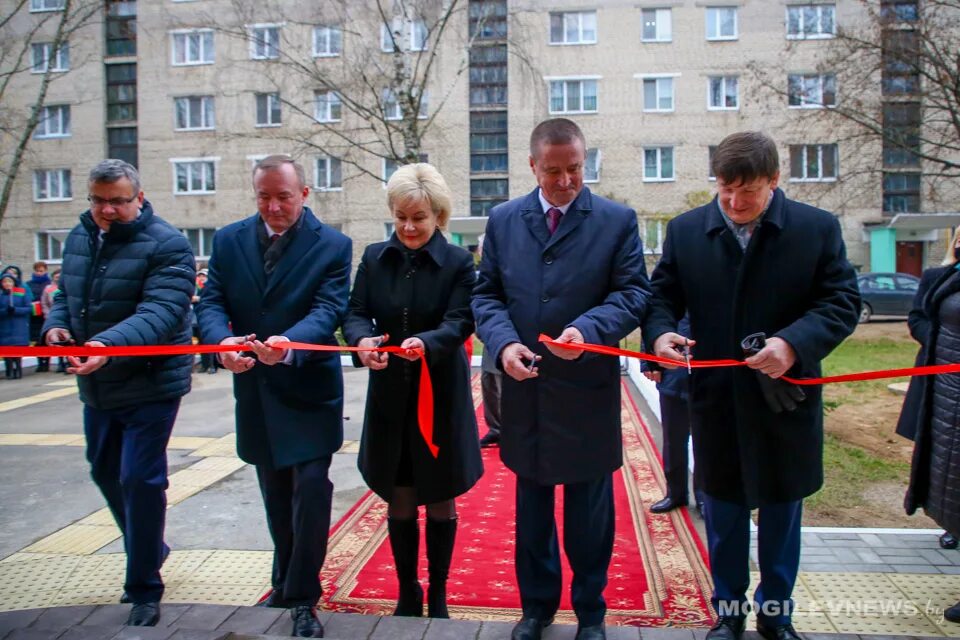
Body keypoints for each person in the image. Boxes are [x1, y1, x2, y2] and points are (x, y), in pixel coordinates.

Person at [643, 131, 860, 640]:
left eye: (750, 191)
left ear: (774, 181)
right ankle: (729, 612)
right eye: (725, 189)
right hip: (718, 401)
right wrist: (659, 334)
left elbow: (841, 302)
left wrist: (793, 343)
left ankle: (776, 614)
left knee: (783, 512)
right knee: (723, 511)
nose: (736, 203)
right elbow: (660, 297)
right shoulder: (687, 230)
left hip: (786, 398)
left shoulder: (815, 229)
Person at [472, 118, 649, 640]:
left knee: (589, 515)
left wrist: (586, 330)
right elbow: (486, 295)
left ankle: (590, 612)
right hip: (526, 390)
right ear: (533, 166)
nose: (567, 181)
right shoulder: (504, 219)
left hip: (586, 389)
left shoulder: (617, 221)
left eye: (575, 168)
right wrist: (503, 344)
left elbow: (634, 294)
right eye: (554, 171)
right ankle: (537, 609)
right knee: (532, 512)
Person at [197, 154, 351, 638]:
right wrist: (221, 341)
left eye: (283, 196)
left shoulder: (333, 245)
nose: (273, 206)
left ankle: (304, 597)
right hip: (256, 390)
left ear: (304, 194)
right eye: (264, 196)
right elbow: (212, 299)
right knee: (275, 493)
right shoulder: (228, 240)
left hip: (308, 389)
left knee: (310, 487)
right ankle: (283, 580)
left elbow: (329, 309)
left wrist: (286, 347)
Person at [41, 159, 196, 627]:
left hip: (150, 382)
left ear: (140, 198)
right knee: (104, 470)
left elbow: (162, 311)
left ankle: (144, 586)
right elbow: (67, 293)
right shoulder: (80, 236)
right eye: (98, 200)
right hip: (98, 383)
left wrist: (108, 344)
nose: (107, 211)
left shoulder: (168, 244)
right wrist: (57, 325)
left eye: (117, 201)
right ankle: (151, 546)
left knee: (140, 479)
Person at [343, 163, 482, 619]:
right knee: (399, 491)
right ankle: (408, 590)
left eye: (419, 217)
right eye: (401, 216)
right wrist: (362, 340)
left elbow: (462, 320)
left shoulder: (460, 263)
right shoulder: (374, 256)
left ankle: (438, 593)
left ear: (438, 216)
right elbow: (357, 311)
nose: (408, 227)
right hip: (389, 392)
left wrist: (429, 343)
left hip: (438, 391)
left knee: (440, 492)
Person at [905, 224, 960, 622]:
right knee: (949, 479)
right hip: (945, 391)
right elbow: (920, 317)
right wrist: (938, 345)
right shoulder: (944, 276)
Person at [645, 316, 703, 516]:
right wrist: (648, 362)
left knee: (705, 442)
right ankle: (675, 493)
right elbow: (653, 322)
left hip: (705, 380)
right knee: (673, 440)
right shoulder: (670, 289)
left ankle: (703, 496)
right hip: (672, 379)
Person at [476, 233, 501, 448]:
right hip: (487, 337)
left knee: (506, 387)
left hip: (504, 336)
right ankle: (495, 429)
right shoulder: (481, 273)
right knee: (489, 384)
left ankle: (510, 430)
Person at [1, 272, 31, 379]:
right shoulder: (1, 295)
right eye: (4, 282)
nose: (7, 284)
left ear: (14, 282)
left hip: (19, 326)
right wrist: (5, 311)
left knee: (18, 350)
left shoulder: (21, 293)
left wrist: (16, 310)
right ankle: (9, 371)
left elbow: (28, 308)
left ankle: (18, 370)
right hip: (4, 326)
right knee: (6, 351)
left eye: (9, 281)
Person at [40, 270, 68, 374]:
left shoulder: (65, 288)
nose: (57, 278)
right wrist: (50, 317)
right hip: (54, 317)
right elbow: (44, 303)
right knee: (57, 343)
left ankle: (68, 363)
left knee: (67, 343)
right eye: (56, 276)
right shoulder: (48, 289)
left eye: (59, 276)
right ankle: (60, 363)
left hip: (64, 318)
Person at [192, 268, 217, 375]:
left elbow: (212, 301)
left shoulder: (210, 287)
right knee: (201, 344)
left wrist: (199, 299)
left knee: (210, 343)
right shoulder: (194, 287)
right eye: (200, 276)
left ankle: (212, 365)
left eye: (204, 276)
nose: (202, 278)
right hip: (195, 320)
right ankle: (204, 364)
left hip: (207, 319)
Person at [27, 261, 51, 372]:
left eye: (41, 271)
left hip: (45, 315)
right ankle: (40, 362)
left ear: (45, 271)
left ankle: (47, 362)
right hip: (34, 315)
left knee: (45, 340)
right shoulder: (29, 284)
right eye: (37, 271)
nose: (39, 273)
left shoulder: (49, 283)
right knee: (37, 340)